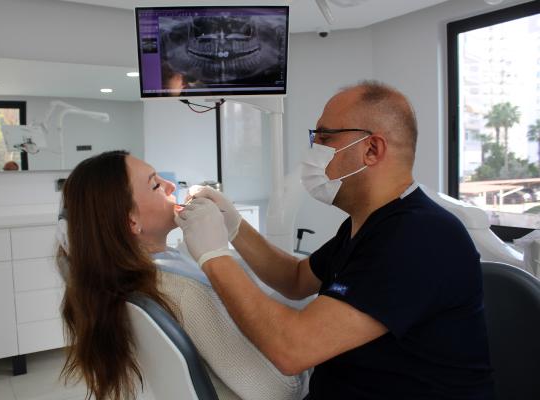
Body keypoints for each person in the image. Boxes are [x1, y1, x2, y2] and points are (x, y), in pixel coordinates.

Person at [176, 81, 495, 399]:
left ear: (372, 149)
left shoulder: (419, 237)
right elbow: (295, 279)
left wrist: (215, 257)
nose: (314, 149)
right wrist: (234, 226)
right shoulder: (368, 225)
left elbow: (292, 348)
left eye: (325, 137)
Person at [56, 150, 307, 400]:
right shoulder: (185, 293)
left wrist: (233, 228)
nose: (171, 186)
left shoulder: (124, 278)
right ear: (131, 222)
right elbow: (278, 391)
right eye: (156, 185)